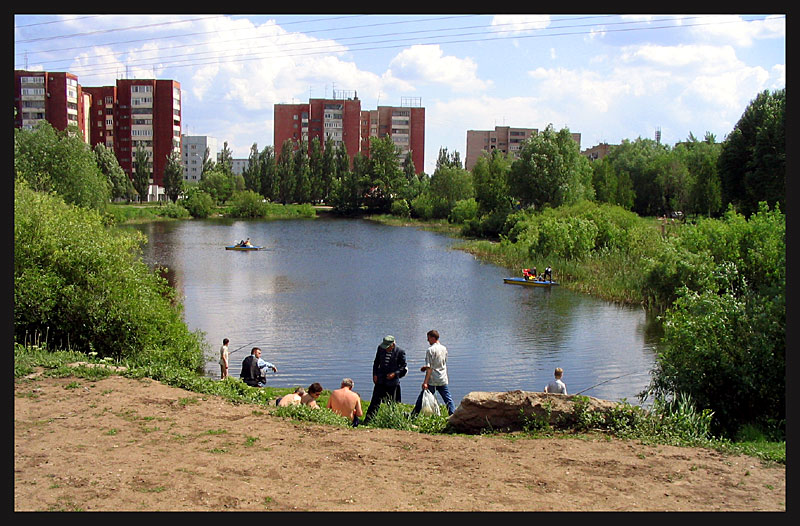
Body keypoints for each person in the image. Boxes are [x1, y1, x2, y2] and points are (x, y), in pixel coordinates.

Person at [363, 335, 407, 423]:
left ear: (393, 345)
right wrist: (375, 374)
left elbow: (403, 367)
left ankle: (392, 421)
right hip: (380, 380)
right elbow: (376, 362)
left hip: (392, 382)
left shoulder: (400, 352)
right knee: (375, 402)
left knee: (391, 403)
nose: (386, 349)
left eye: (388, 347)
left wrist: (394, 374)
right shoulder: (380, 349)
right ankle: (368, 420)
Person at [411, 330, 456, 416]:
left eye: (428, 338)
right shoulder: (444, 348)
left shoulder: (430, 350)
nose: (427, 340)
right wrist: (426, 367)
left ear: (432, 338)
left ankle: (414, 415)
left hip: (433, 379)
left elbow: (430, 368)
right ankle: (453, 415)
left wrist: (425, 382)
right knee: (448, 398)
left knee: (422, 397)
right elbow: (441, 363)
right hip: (442, 378)